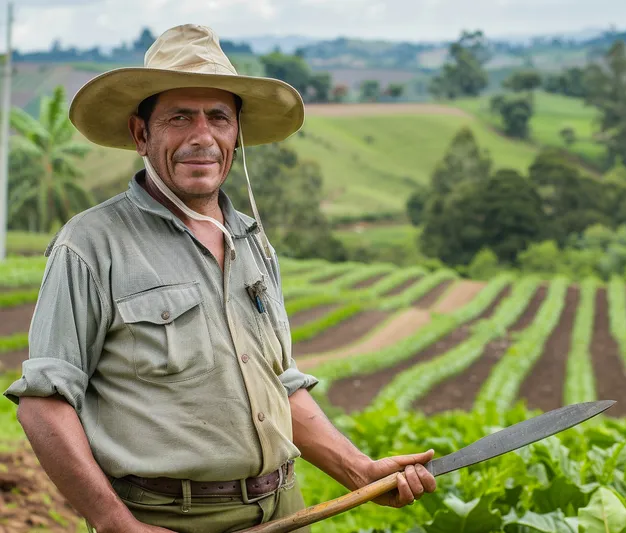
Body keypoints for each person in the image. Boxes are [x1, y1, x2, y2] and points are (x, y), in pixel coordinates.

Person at [3, 24, 436, 533]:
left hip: (284, 510)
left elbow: (280, 384)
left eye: (218, 118)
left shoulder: (251, 239)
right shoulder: (92, 244)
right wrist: (118, 525)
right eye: (179, 117)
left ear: (236, 134)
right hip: (167, 519)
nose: (201, 137)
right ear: (141, 134)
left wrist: (359, 471)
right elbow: (44, 403)